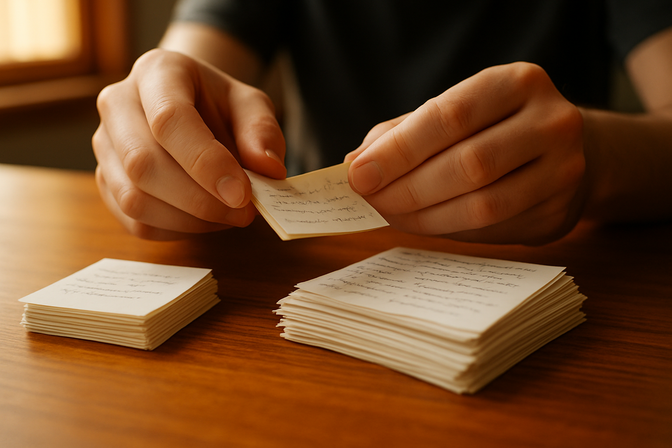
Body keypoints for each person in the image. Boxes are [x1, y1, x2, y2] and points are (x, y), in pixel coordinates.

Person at [92, 1, 672, 244]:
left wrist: (597, 159)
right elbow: (187, 70)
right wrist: (158, 118)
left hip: (554, 270)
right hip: (312, 281)